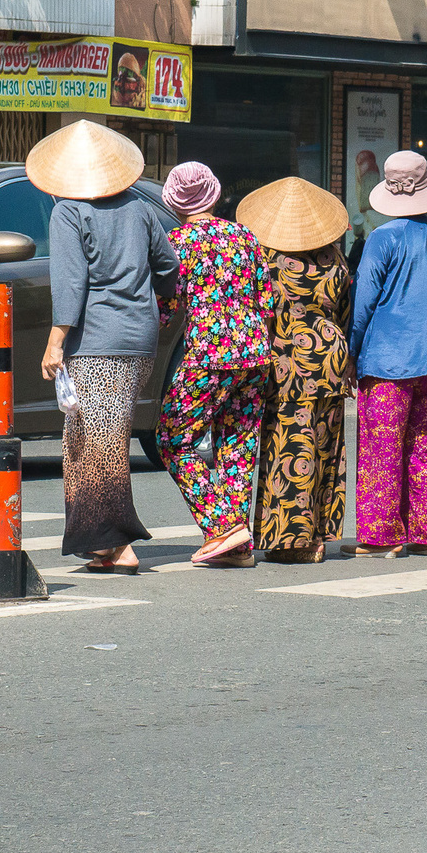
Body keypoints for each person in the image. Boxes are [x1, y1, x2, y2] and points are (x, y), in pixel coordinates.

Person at [34, 118, 176, 573]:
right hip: (139, 340)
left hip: (95, 343)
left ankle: (118, 543)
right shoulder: (140, 207)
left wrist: (55, 341)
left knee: (102, 442)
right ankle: (96, 540)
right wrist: (152, 297)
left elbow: (71, 283)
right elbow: (169, 266)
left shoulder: (68, 212)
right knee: (85, 439)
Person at [154, 161, 271, 567]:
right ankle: (236, 546)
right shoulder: (244, 236)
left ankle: (222, 526)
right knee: (238, 444)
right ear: (215, 194)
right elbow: (267, 299)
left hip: (209, 353)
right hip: (255, 351)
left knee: (173, 438)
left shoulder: (176, 243)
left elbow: (166, 309)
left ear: (173, 200)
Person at [238, 177, 355, 564]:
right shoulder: (335, 258)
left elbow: (259, 314)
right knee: (324, 447)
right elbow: (345, 314)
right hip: (331, 360)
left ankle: (295, 542)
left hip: (288, 363)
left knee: (290, 447)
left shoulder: (269, 261)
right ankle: (320, 534)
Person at [349, 149, 427, 556]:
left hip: (386, 363)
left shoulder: (383, 239)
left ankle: (382, 537)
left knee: (382, 450)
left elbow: (363, 306)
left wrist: (351, 351)